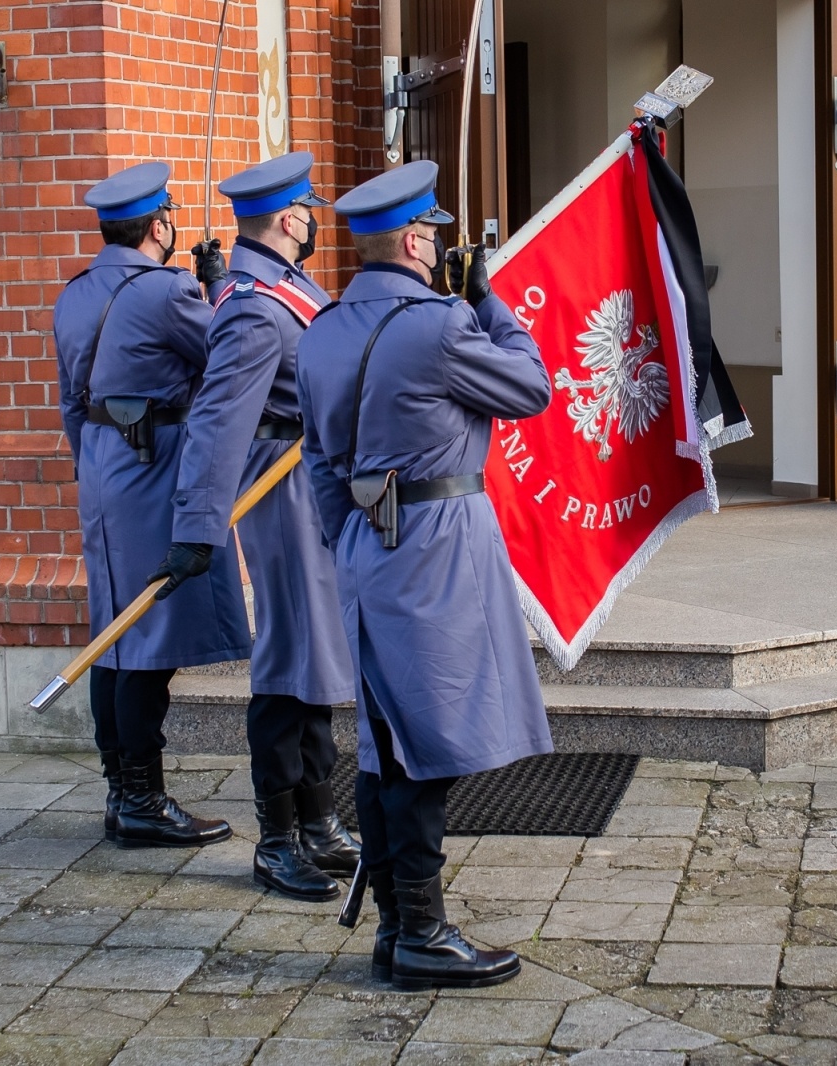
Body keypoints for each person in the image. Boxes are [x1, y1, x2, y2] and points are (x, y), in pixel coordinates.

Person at [295, 160, 554, 989]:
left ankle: (397, 927)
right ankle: (423, 934)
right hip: (437, 546)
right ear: (414, 240)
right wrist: (486, 299)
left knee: (383, 742)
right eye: (435, 236)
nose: (440, 247)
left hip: (369, 545)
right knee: (421, 747)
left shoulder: (324, 328)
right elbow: (531, 387)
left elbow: (321, 463)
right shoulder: (442, 323)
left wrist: (352, 542)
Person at [178, 152, 360, 902]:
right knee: (289, 665)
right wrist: (198, 525)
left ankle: (318, 821)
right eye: (308, 210)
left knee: (316, 659)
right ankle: (277, 841)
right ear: (290, 219)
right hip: (282, 494)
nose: (313, 219)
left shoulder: (273, 287)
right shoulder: (258, 304)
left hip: (310, 483)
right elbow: (219, 420)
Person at [53, 161, 241, 850]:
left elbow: (72, 404)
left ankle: (121, 790)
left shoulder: (75, 293)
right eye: (170, 218)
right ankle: (141, 799)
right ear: (160, 226)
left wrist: (93, 466)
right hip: (152, 466)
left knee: (114, 633)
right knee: (145, 637)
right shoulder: (165, 290)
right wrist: (218, 285)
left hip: (104, 469)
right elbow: (228, 354)